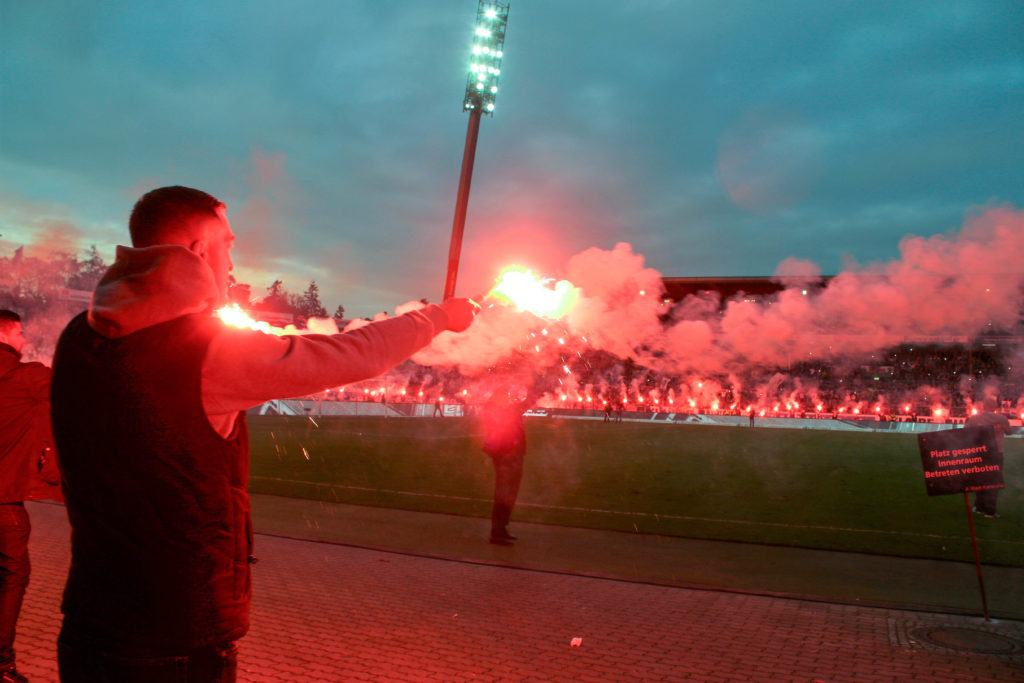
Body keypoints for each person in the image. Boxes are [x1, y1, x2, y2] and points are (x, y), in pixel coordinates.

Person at [49, 186, 478, 681]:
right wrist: (438, 317)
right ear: (199, 249)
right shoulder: (203, 350)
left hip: (89, 622)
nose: (232, 264)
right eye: (228, 245)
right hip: (176, 636)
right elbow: (350, 356)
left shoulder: (78, 334)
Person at [0, 310, 63, 683]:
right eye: (20, 333)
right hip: (3, 503)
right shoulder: (27, 377)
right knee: (11, 574)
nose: (24, 341)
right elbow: (79, 393)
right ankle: (2, 664)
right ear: (5, 335)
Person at [480, 386, 527, 545]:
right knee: (503, 494)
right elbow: (500, 428)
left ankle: (502, 528)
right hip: (505, 454)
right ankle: (497, 531)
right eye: (505, 396)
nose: (508, 399)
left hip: (513, 454)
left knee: (509, 494)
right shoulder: (494, 410)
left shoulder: (504, 410)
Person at [965, 395, 1015, 519]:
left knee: (979, 479)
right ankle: (990, 511)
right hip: (995, 453)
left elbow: (965, 433)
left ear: (983, 406)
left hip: (979, 453)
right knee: (993, 482)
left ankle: (979, 507)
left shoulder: (974, 419)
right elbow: (1009, 432)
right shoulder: (1001, 418)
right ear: (995, 407)